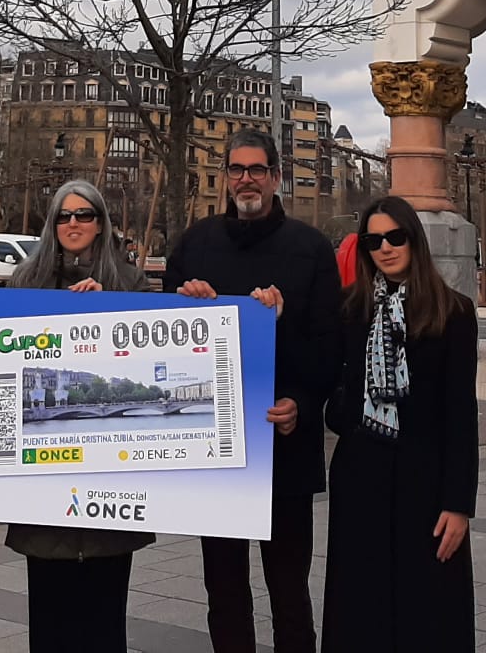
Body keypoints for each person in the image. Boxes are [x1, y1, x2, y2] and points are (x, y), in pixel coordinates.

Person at [167, 127, 343, 653]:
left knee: (289, 589)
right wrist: (185, 310)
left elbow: (330, 348)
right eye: (237, 170)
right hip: (214, 449)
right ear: (225, 178)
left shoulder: (310, 249)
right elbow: (165, 351)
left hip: (284, 445)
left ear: (276, 178)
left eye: (257, 170)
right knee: (223, 590)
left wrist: (301, 405)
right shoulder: (193, 245)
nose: (247, 179)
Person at [320, 197, 478, 652]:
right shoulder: (350, 309)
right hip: (360, 477)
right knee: (361, 605)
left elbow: (460, 414)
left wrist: (458, 503)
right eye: (373, 241)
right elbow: (328, 385)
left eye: (395, 237)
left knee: (428, 608)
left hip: (425, 483)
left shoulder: (453, 312)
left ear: (414, 240)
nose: (385, 248)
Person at [5, 181, 152, 653]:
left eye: (84, 214)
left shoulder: (129, 283)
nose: (73, 223)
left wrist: (108, 309)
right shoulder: (24, 283)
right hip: (43, 491)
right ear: (52, 224)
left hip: (111, 492)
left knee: (105, 623)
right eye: (63, 216)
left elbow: (142, 359)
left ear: (101, 223)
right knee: (49, 624)